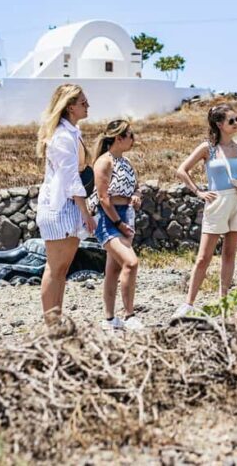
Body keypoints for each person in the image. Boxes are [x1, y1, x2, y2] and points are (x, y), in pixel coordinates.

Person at [173, 104, 237, 317]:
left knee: (229, 254)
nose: (236, 124)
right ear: (219, 124)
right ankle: (188, 303)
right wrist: (198, 192)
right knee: (204, 256)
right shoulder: (207, 148)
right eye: (231, 121)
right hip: (217, 201)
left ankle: (223, 300)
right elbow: (182, 170)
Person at [35, 84, 97, 324]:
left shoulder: (72, 132)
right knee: (54, 268)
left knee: (61, 270)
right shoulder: (62, 136)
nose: (87, 105)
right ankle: (51, 324)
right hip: (60, 208)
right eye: (83, 102)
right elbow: (70, 178)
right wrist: (86, 213)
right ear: (70, 106)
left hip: (67, 208)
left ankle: (56, 321)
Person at [92, 119, 143, 331]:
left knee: (112, 270)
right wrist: (119, 223)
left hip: (125, 215)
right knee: (131, 263)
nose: (134, 139)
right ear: (119, 137)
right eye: (130, 135)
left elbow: (136, 187)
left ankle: (110, 318)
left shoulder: (127, 162)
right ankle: (129, 315)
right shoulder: (105, 162)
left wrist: (137, 196)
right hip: (109, 218)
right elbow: (103, 198)